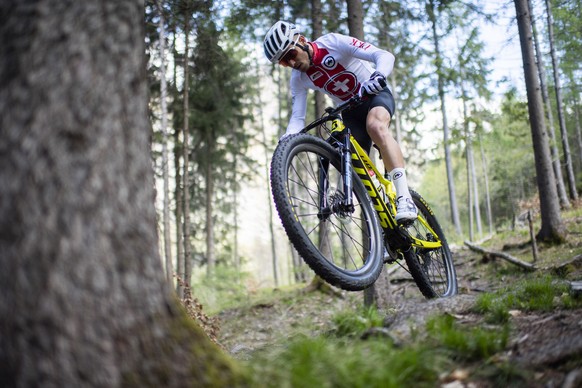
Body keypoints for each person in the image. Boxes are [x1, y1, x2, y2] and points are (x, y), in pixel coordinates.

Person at [263, 21, 417, 223]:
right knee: (351, 162)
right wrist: (286, 141)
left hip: (374, 95)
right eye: (284, 62)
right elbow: (297, 118)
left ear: (301, 40)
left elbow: (384, 56)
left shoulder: (332, 42)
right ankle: (382, 227)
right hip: (351, 113)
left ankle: (405, 197)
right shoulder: (298, 78)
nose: (292, 64)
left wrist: (378, 76)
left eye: (290, 55)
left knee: (376, 126)